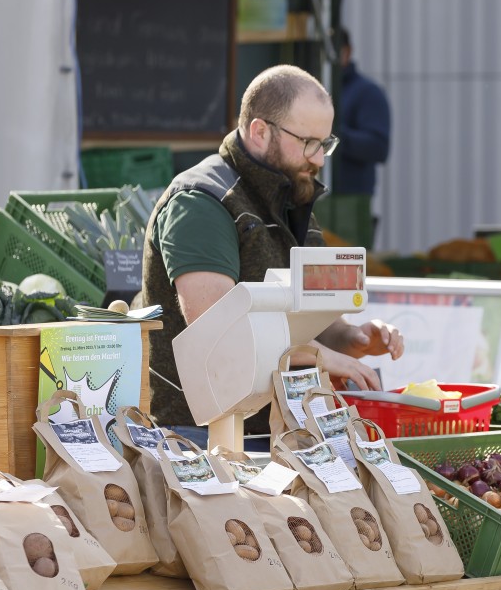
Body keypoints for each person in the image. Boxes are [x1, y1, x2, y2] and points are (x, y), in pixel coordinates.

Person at [135, 64, 403, 445]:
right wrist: (322, 358)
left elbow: (310, 314)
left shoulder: (294, 194)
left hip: (281, 431)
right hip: (199, 437)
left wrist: (352, 337)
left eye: (325, 144)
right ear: (260, 131)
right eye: (309, 142)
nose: (319, 159)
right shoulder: (200, 202)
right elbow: (221, 332)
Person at [331, 26, 390, 198]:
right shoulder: (308, 91)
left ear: (347, 52)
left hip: (349, 202)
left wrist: (331, 135)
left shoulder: (367, 93)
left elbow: (378, 147)